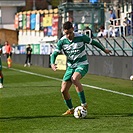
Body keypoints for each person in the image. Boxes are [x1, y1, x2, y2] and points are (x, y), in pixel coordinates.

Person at [50, 21, 111, 116]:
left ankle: (84, 104)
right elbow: (54, 54)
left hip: (82, 64)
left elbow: (93, 42)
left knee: (74, 79)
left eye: (70, 32)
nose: (69, 35)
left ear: (73, 29)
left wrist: (104, 49)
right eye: (66, 33)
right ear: (63, 32)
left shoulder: (81, 37)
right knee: (63, 90)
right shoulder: (62, 41)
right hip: (70, 67)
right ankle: (70, 109)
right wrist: (52, 63)